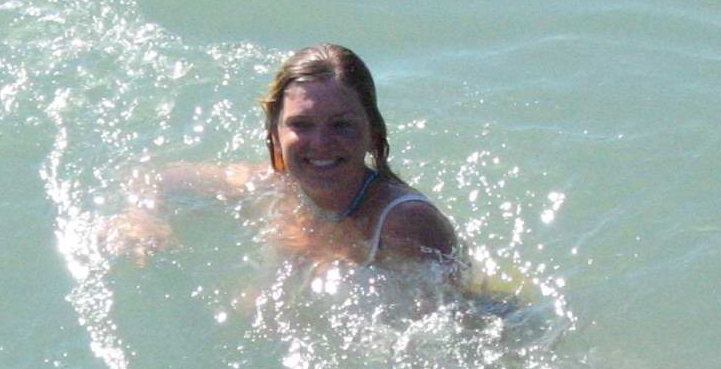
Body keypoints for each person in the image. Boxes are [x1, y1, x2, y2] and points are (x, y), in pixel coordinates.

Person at [107, 44, 459, 270]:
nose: (321, 143)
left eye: (341, 125)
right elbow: (155, 178)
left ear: (373, 134)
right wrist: (142, 216)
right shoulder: (275, 186)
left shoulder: (405, 224)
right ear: (275, 135)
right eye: (301, 125)